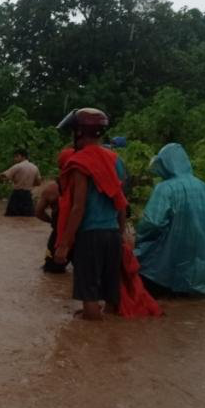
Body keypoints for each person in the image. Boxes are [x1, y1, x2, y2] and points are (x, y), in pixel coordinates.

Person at [53, 108, 128, 320]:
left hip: (90, 235)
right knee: (111, 296)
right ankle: (109, 345)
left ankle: (92, 345)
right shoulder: (116, 160)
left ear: (79, 132)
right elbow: (120, 201)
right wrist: (120, 233)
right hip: (113, 233)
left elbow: (78, 207)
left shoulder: (80, 162)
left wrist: (64, 244)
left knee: (90, 299)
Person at [134, 143, 205, 297]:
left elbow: (152, 223)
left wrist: (138, 239)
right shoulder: (202, 186)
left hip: (168, 272)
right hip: (204, 276)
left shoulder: (164, 188)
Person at [35, 147, 75, 273]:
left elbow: (38, 212)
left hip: (59, 237)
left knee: (52, 273)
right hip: (84, 236)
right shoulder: (89, 187)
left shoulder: (51, 189)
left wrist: (52, 221)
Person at [0, 149, 41, 216]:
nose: (15, 159)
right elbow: (38, 183)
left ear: (23, 157)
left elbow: (2, 175)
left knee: (11, 216)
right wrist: (29, 184)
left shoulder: (17, 166)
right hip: (28, 196)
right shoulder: (35, 167)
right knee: (28, 217)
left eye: (17, 156)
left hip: (17, 195)